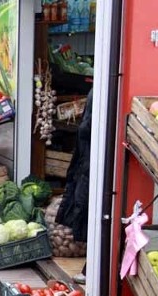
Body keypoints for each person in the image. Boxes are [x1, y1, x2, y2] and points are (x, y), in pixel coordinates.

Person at [56, 88, 93, 284]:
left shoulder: (99, 92)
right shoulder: (97, 93)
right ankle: (90, 267)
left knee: (88, 209)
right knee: (87, 209)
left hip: (89, 162)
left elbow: (86, 130)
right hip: (87, 161)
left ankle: (91, 268)